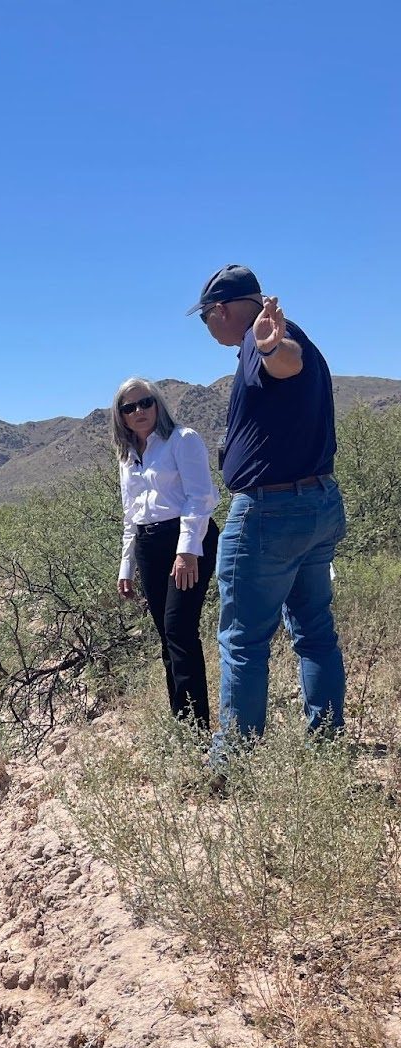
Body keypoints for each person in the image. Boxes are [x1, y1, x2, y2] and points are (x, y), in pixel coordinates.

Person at [189, 264, 345, 748]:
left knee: (243, 641)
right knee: (314, 628)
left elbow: (286, 361)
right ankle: (327, 741)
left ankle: (237, 759)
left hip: (270, 514)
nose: (207, 328)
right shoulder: (284, 340)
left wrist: (271, 347)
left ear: (221, 310)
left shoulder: (269, 344)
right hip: (319, 505)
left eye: (205, 318)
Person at [112, 378, 220, 726]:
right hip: (148, 544)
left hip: (187, 538)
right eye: (129, 408)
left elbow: (200, 498)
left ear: (157, 403)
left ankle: (197, 731)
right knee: (165, 633)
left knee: (179, 629)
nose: (139, 411)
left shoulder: (181, 440)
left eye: (145, 402)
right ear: (122, 416)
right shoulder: (127, 455)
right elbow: (131, 513)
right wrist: (126, 566)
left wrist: (187, 551)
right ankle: (182, 722)